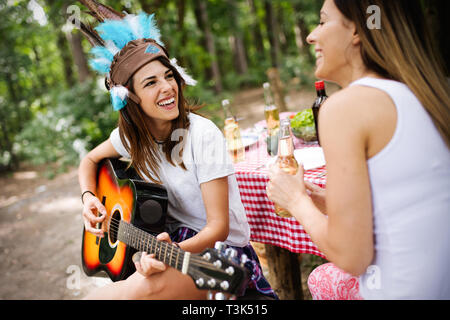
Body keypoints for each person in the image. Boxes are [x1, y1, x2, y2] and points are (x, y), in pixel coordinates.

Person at [77, 7, 277, 300]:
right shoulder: (130, 138)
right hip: (164, 240)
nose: (167, 87)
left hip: (218, 254)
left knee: (131, 293)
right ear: (129, 98)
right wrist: (88, 198)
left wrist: (166, 253)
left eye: (168, 76)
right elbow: (89, 160)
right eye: (151, 82)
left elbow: (218, 228)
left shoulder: (202, 133)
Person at [267, 0, 450, 300]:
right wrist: (319, 199)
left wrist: (296, 201)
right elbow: (404, 203)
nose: (311, 36)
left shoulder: (345, 107)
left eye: (323, 22)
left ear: (356, 30)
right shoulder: (421, 92)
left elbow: (352, 257)